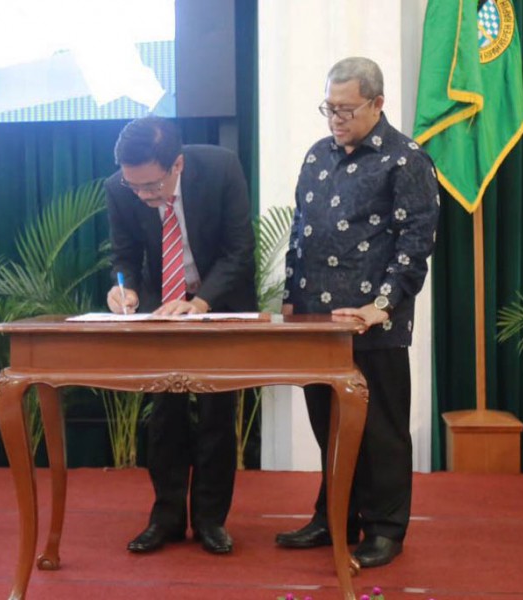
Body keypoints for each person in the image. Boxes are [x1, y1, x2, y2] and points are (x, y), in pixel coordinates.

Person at [275, 57, 439, 567]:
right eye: (329, 108)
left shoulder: (406, 160)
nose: (335, 119)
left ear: (377, 103)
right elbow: (300, 232)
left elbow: (415, 245)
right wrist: (290, 297)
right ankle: (335, 518)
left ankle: (386, 529)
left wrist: (380, 306)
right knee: (328, 425)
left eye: (346, 109)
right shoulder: (316, 155)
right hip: (315, 323)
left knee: (380, 430)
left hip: (373, 322)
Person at [105, 116, 257, 554]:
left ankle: (211, 521)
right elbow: (125, 255)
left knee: (216, 413)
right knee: (165, 415)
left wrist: (201, 303)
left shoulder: (221, 168)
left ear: (177, 164)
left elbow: (239, 250)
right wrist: (125, 288)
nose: (143, 195)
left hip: (218, 302)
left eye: (152, 186)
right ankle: (166, 518)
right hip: (163, 309)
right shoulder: (119, 187)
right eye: (135, 186)